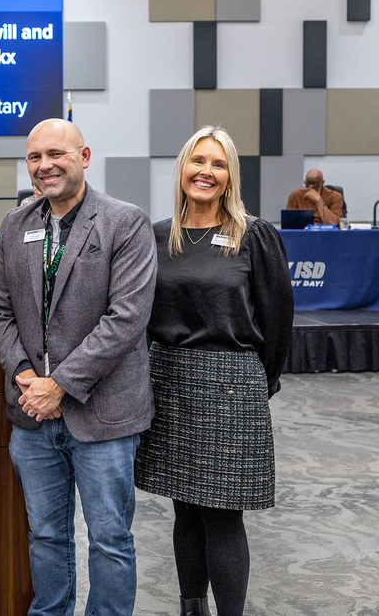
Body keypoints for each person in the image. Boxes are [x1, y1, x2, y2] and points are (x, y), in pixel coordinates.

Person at [0, 118, 157, 616]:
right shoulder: (16, 224)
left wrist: (59, 385)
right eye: (35, 157)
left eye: (56, 154)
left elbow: (126, 319)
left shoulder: (125, 222)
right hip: (32, 415)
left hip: (103, 416)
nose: (44, 166)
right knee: (46, 536)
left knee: (109, 540)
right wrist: (24, 375)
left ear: (83, 157)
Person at [134, 126, 294, 616]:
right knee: (183, 506)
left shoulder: (254, 235)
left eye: (218, 164)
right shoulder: (157, 236)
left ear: (230, 177)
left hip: (230, 385)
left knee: (223, 514)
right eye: (197, 161)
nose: (206, 171)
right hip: (168, 382)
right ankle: (190, 608)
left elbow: (278, 317)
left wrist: (253, 381)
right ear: (182, 169)